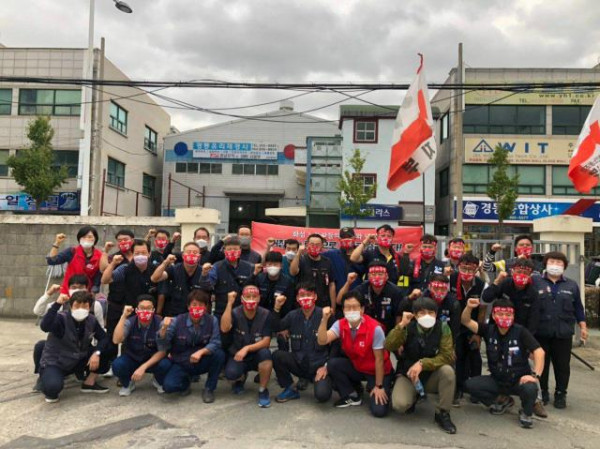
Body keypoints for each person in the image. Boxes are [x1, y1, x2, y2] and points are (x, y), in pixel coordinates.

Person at [462, 297, 545, 429]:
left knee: (530, 387)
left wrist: (535, 376)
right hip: (497, 380)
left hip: (518, 380)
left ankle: (526, 412)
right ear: (494, 315)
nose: (504, 317)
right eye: (500, 314)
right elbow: (465, 321)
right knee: (469, 385)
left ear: (513, 316)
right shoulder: (488, 330)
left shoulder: (521, 331)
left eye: (508, 314)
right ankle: (502, 401)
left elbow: (539, 352)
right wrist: (469, 307)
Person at [384, 298, 457, 434]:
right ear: (415, 315)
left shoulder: (443, 327)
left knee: (448, 371)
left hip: (431, 375)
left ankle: (442, 413)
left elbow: (446, 356)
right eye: (422, 313)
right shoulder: (408, 327)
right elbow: (388, 345)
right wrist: (401, 325)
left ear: (436, 314)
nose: (427, 316)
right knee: (400, 405)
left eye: (431, 312)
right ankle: (414, 395)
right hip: (408, 375)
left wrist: (423, 364)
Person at [318, 290, 393, 418]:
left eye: (355, 307)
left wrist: (379, 386)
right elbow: (322, 340)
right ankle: (352, 395)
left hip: (377, 371)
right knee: (333, 364)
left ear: (362, 309)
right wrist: (324, 320)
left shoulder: (375, 329)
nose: (351, 310)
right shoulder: (340, 324)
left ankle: (385, 386)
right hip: (358, 367)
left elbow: (379, 360)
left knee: (379, 411)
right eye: (347, 307)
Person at [32, 276, 105, 392]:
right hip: (60, 350)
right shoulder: (61, 308)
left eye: (81, 287)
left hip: (81, 349)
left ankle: (86, 378)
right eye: (74, 287)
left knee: (107, 348)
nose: (77, 290)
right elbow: (43, 321)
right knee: (41, 346)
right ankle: (44, 374)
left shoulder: (93, 309)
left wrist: (97, 352)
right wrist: (52, 298)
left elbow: (101, 332)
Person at [534, 251, 587, 409]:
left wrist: (582, 326)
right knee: (542, 364)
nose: (555, 265)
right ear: (546, 264)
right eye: (552, 262)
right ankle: (542, 392)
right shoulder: (536, 282)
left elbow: (578, 308)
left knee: (562, 366)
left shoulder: (571, 285)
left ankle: (560, 393)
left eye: (559, 263)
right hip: (541, 331)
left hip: (563, 333)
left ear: (564, 266)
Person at [39, 290, 110, 403]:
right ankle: (45, 377)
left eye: (85, 306)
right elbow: (45, 326)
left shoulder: (91, 320)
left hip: (78, 359)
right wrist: (57, 305)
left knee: (107, 348)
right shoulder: (61, 319)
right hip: (57, 361)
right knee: (52, 389)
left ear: (89, 307)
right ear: (71, 306)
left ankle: (89, 383)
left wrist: (97, 353)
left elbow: (104, 338)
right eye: (77, 306)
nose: (80, 309)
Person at [158, 289, 225, 402]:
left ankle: (209, 388)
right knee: (168, 387)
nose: (197, 308)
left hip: (202, 360)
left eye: (201, 305)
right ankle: (185, 384)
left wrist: (201, 352)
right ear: (188, 306)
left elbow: (216, 342)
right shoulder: (176, 321)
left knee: (219, 354)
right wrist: (164, 329)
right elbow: (163, 345)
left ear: (205, 307)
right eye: (194, 305)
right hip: (181, 361)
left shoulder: (212, 320)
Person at [271, 282, 332, 403]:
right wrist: (277, 308)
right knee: (277, 355)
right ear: (297, 298)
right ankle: (289, 388)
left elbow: (336, 344)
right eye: (302, 295)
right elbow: (275, 327)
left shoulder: (325, 315)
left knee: (322, 396)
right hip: (299, 363)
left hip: (319, 365)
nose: (305, 298)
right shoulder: (292, 315)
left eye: (309, 294)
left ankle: (327, 381)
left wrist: (326, 366)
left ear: (315, 296)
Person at [221, 285, 273, 408]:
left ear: (259, 298)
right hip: (238, 355)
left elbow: (266, 341)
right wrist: (229, 304)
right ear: (242, 298)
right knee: (231, 374)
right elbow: (224, 327)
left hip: (256, 355)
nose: (251, 299)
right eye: (247, 297)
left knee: (266, 355)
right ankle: (240, 379)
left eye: (254, 297)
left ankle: (263, 390)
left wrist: (247, 348)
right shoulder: (235, 312)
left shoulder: (266, 314)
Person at [111, 294, 171, 396]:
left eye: (148, 308)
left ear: (153, 310)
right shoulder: (130, 321)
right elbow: (116, 340)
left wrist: (143, 367)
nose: (145, 311)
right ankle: (128, 383)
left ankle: (158, 380)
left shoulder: (160, 323)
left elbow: (162, 351)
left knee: (166, 364)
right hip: (133, 357)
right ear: (136, 309)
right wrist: (123, 316)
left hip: (153, 359)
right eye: (142, 308)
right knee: (117, 365)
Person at [449, 253, 485, 405]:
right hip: (454, 325)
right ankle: (457, 389)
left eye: (471, 270)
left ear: (476, 270)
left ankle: (477, 391)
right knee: (458, 357)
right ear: (458, 267)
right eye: (464, 268)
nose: (467, 273)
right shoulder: (450, 280)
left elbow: (483, 309)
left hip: (472, 326)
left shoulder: (481, 284)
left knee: (475, 357)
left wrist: (479, 333)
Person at [99, 229, 136, 371]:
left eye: (126, 239)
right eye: (120, 240)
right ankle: (111, 364)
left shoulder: (140, 256)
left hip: (132, 303)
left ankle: (126, 366)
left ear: (132, 240)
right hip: (116, 301)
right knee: (112, 334)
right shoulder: (116, 257)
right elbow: (103, 270)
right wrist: (105, 251)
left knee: (130, 335)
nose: (123, 242)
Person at [337, 261, 404, 334]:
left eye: (380, 274)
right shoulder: (362, 289)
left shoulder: (395, 292)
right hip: (365, 333)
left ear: (387, 276)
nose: (377, 277)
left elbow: (399, 316)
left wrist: (396, 336)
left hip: (388, 333)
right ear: (368, 276)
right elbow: (339, 301)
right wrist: (348, 283)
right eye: (373, 274)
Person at [199, 237, 256, 319]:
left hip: (243, 312)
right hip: (221, 311)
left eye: (235, 249)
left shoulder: (249, 267)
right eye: (229, 249)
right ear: (224, 251)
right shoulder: (217, 266)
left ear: (240, 250)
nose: (232, 251)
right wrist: (204, 274)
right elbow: (207, 286)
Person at [482, 258, 540, 334]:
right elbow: (486, 298)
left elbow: (533, 321)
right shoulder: (505, 283)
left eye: (525, 273)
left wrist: (526, 339)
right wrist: (496, 281)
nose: (521, 275)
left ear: (530, 275)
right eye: (518, 272)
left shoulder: (533, 293)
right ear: (512, 272)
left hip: (519, 332)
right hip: (497, 329)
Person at [151, 242, 205, 317]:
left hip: (197, 315)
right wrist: (165, 262)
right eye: (188, 252)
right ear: (183, 255)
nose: (191, 254)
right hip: (175, 314)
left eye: (195, 253)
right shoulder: (174, 269)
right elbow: (154, 278)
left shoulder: (204, 272)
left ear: (199, 257)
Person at [101, 239, 160, 306]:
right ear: (132, 254)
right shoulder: (125, 268)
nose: (140, 256)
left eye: (143, 253)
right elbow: (104, 280)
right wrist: (113, 264)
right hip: (130, 308)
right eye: (137, 253)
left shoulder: (156, 269)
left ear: (149, 254)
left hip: (150, 309)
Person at [46, 226, 102, 294]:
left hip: (86, 295)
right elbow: (52, 261)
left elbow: (98, 276)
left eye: (90, 237)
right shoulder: (72, 251)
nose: (87, 239)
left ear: (95, 239)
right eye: (84, 237)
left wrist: (94, 290)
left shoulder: (100, 256)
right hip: (68, 293)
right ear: (79, 239)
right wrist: (57, 243)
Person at [289, 233, 336, 312]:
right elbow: (293, 272)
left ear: (322, 246)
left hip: (322, 304)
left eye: (317, 245)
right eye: (312, 244)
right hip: (303, 303)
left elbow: (331, 284)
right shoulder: (301, 259)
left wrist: (333, 306)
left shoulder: (327, 262)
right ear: (307, 245)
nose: (314, 247)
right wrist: (299, 253)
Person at [323, 227, 364, 295]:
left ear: (355, 238)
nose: (346, 239)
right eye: (344, 237)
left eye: (349, 237)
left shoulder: (363, 255)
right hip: (339, 297)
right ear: (339, 239)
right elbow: (316, 256)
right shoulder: (332, 254)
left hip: (358, 296)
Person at [255, 251, 295, 316]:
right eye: (270, 264)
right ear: (265, 265)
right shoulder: (259, 279)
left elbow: (289, 306)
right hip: (260, 316)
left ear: (281, 265)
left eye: (275, 264)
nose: (272, 267)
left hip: (280, 317)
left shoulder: (288, 282)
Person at [423, 274, 460, 343]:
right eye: (436, 289)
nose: (439, 292)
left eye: (443, 289)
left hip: (445, 337)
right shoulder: (423, 299)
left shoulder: (453, 303)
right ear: (430, 287)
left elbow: (455, 328)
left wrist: (452, 346)